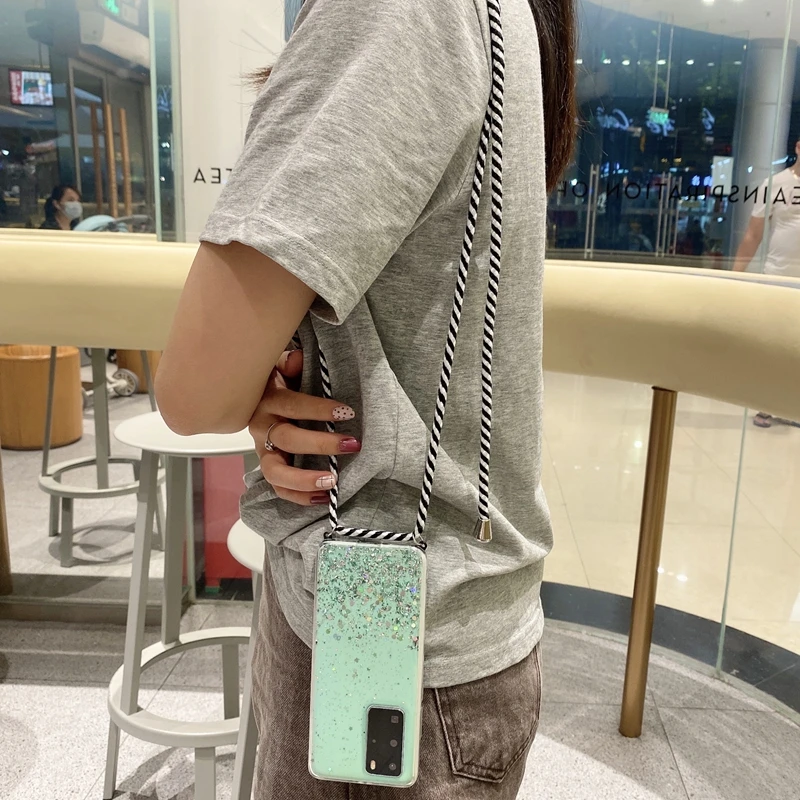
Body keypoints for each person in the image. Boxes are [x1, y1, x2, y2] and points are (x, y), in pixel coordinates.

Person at [156, 0, 576, 797]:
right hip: (442, 616)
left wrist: (247, 392)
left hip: (394, 638)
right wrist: (277, 397)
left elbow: (191, 392)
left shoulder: (400, 11)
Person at [734, 139, 800, 428]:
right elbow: (753, 234)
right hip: (779, 278)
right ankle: (766, 404)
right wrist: (735, 275)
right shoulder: (774, 184)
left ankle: (792, 405)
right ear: (798, 147)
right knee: (775, 344)